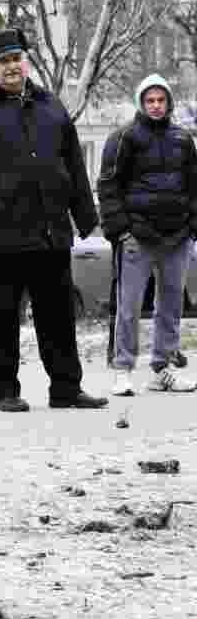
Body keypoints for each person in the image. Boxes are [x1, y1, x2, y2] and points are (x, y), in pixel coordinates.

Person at [0, 28, 107, 412]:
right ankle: (5, 391)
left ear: (25, 61)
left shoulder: (50, 105)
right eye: (3, 61)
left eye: (16, 58)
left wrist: (85, 215)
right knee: (1, 317)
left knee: (58, 316)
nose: (12, 67)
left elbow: (73, 164)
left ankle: (66, 387)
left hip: (51, 229)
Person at [99, 74, 197, 396]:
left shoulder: (184, 140)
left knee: (170, 306)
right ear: (141, 103)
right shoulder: (123, 138)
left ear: (168, 102)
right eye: (149, 100)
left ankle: (163, 367)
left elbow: (194, 187)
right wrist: (121, 231)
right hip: (137, 237)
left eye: (161, 100)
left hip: (177, 236)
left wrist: (192, 226)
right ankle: (123, 368)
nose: (155, 106)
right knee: (129, 306)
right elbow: (109, 186)